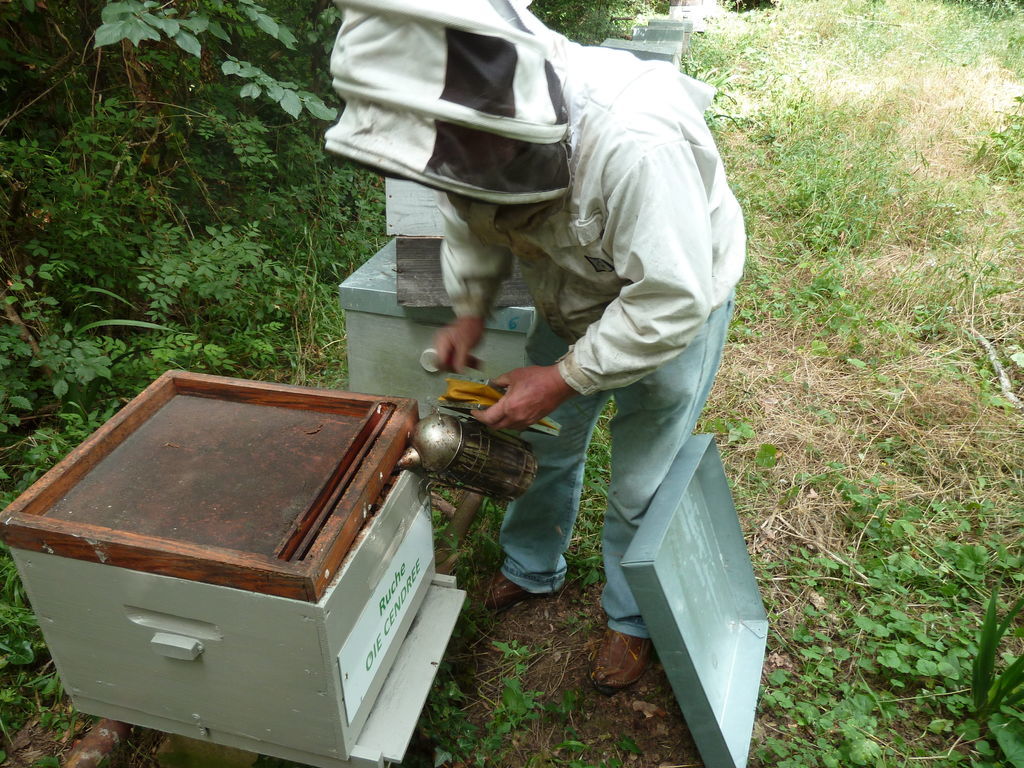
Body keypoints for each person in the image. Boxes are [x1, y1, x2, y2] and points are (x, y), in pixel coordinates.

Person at [324, 0, 745, 694]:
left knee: (644, 473)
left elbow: (670, 299)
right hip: (570, 290)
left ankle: (631, 618)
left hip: (673, 297)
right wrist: (469, 311)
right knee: (546, 442)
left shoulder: (637, 142)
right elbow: (469, 224)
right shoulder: (466, 131)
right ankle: (529, 567)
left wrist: (563, 376)